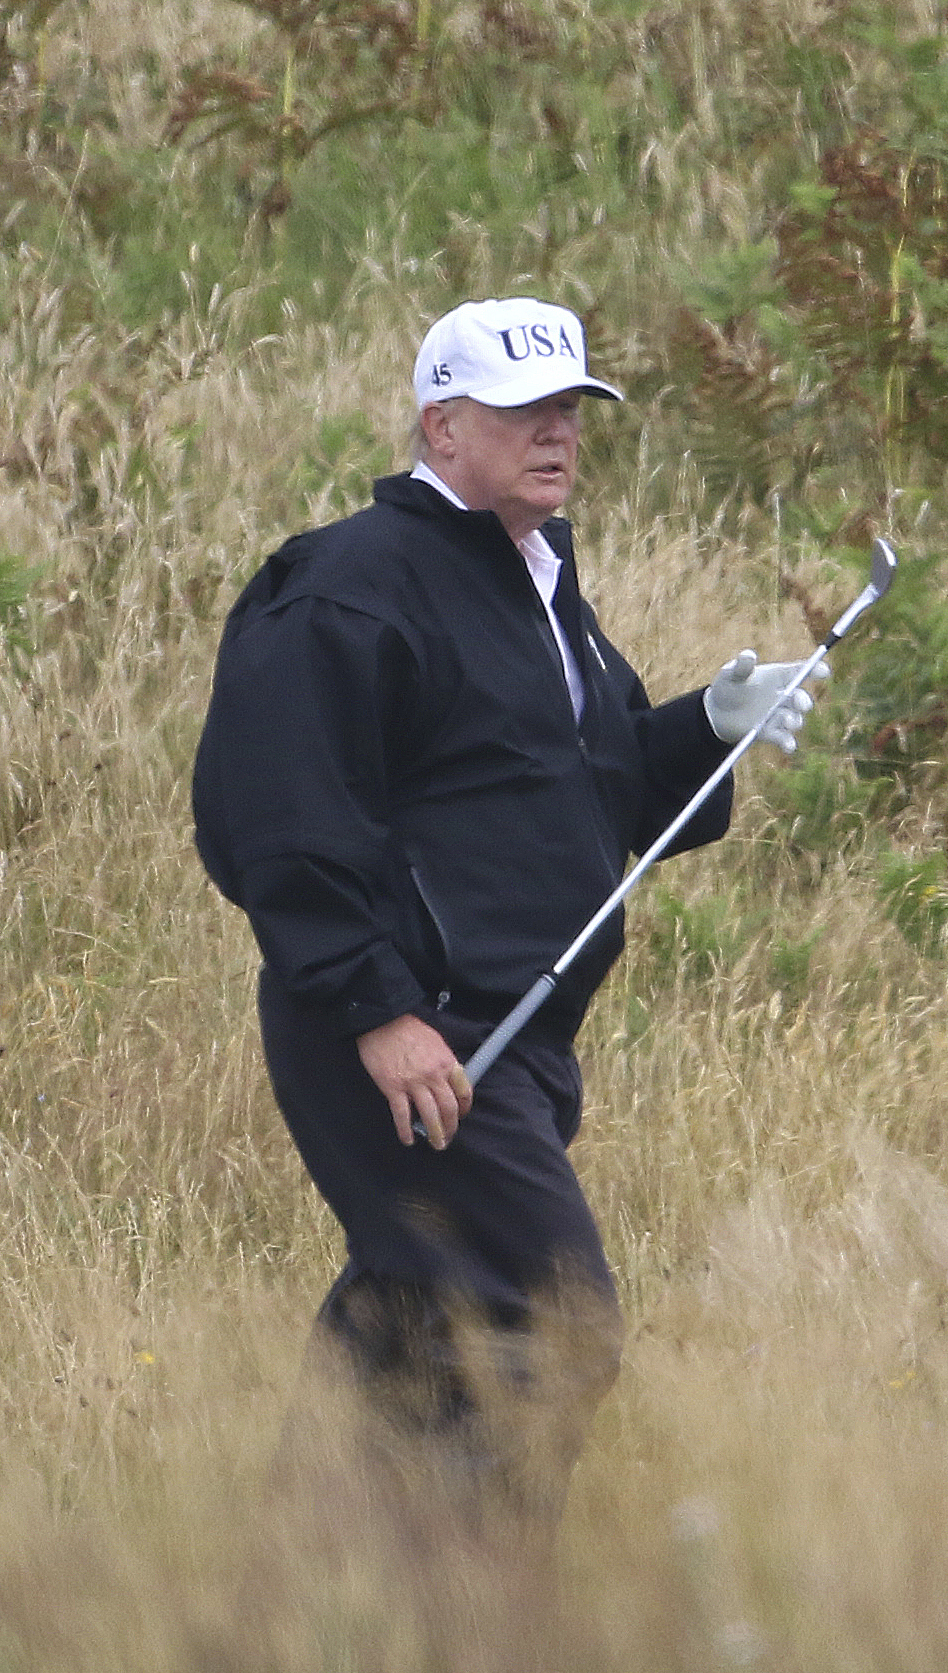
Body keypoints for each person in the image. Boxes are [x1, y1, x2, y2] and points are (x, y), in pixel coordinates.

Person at [192, 296, 826, 1545]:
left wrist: (708, 723)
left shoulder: (540, 585)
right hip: (412, 1031)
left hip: (509, 1037)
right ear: (442, 423)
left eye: (570, 408)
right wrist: (379, 1009)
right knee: (547, 1319)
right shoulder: (349, 587)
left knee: (420, 1326)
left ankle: (295, 1610)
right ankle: (476, 1617)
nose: (556, 433)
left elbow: (580, 792)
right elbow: (276, 817)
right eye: (521, 409)